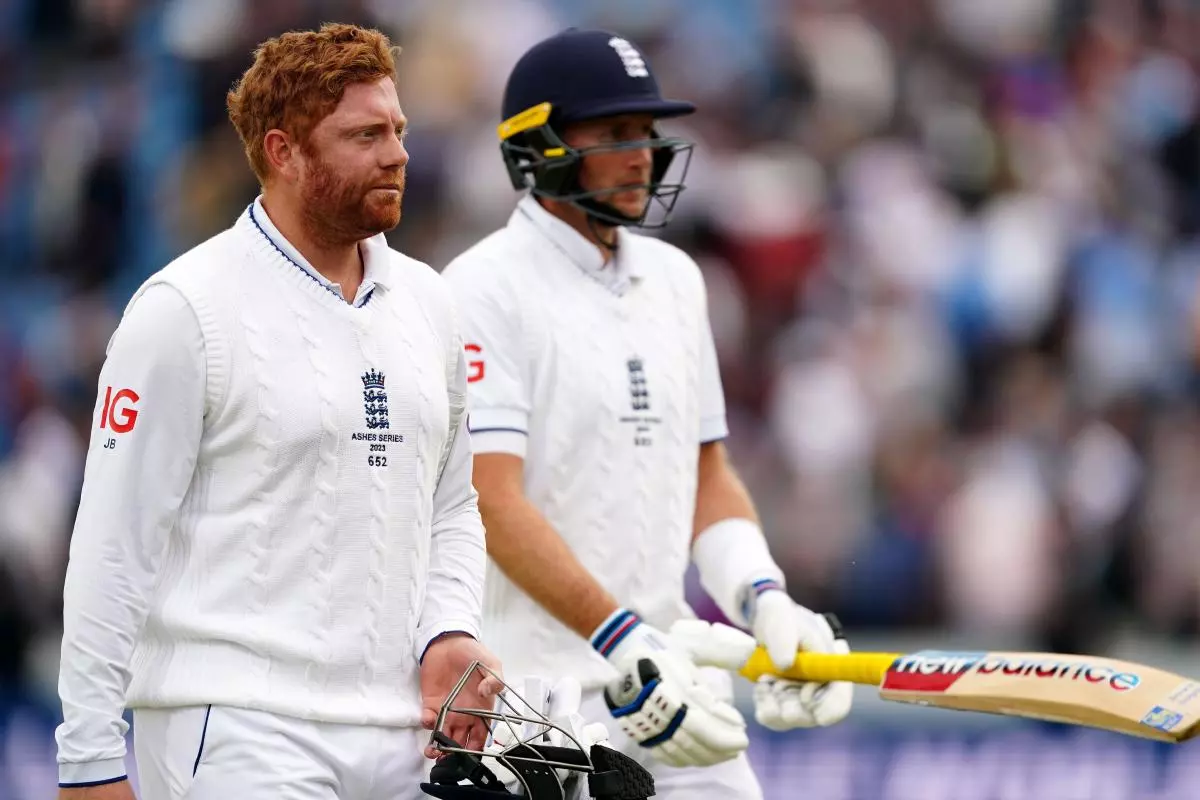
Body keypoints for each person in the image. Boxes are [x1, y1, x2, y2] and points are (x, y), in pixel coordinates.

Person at [54, 23, 502, 800]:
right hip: (237, 729)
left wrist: (449, 629)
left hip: (401, 735)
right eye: (365, 135)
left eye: (397, 130)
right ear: (283, 151)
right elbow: (111, 544)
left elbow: (453, 503)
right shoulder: (183, 309)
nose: (398, 153)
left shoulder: (431, 304)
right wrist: (88, 758)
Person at [441, 28, 855, 800]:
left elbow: (705, 473)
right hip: (538, 699)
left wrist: (763, 596)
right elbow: (489, 499)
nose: (643, 154)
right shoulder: (482, 288)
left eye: (646, 132)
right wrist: (620, 637)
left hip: (669, 679)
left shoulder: (676, 280)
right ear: (540, 145)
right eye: (613, 134)